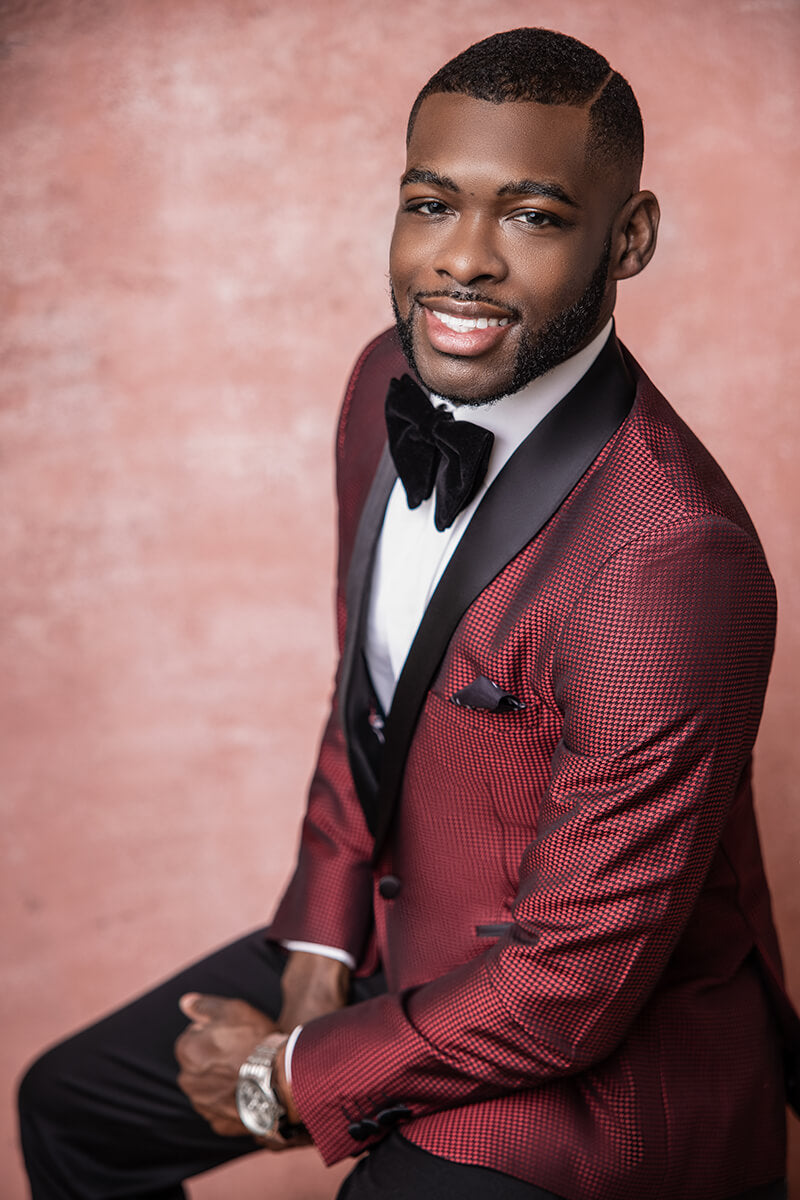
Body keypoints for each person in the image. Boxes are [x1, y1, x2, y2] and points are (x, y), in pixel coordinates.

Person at [18, 26, 795, 1200]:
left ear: (627, 238)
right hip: (402, 935)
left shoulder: (667, 557)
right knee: (71, 1108)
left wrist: (282, 1076)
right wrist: (321, 940)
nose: (462, 259)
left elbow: (566, 990)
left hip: (593, 1069)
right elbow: (367, 704)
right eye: (430, 204)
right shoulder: (387, 379)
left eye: (531, 216)